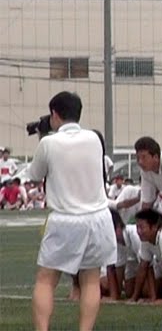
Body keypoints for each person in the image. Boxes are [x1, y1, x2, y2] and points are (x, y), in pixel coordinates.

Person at [29, 92, 115, 331]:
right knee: (91, 280)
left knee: (46, 280)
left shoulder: (48, 143)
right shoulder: (94, 138)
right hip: (98, 217)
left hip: (66, 219)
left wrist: (43, 136)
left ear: (54, 114)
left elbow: (35, 174)